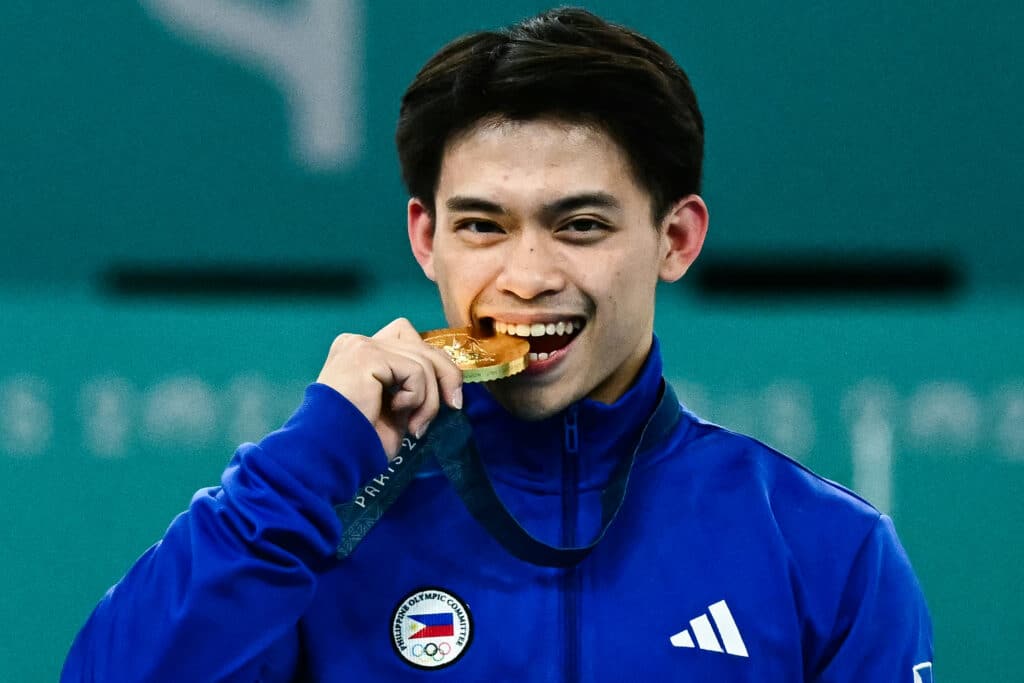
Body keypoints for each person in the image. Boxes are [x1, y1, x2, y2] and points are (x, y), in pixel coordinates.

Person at [62, 7, 933, 681]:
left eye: (580, 225)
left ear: (676, 239)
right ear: (426, 238)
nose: (526, 274)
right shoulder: (307, 522)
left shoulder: (826, 549)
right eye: (483, 225)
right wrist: (300, 467)